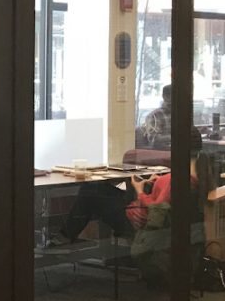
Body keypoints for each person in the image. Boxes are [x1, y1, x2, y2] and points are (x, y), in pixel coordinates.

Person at [48, 130, 214, 253]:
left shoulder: (177, 180)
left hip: (138, 220)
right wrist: (155, 182)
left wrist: (139, 189)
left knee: (90, 191)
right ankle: (66, 237)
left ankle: (63, 238)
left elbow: (157, 211)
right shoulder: (197, 174)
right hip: (143, 214)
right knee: (95, 190)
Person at [135, 84, 174, 149]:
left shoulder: (183, 114)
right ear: (165, 97)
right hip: (164, 153)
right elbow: (154, 140)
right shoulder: (155, 115)